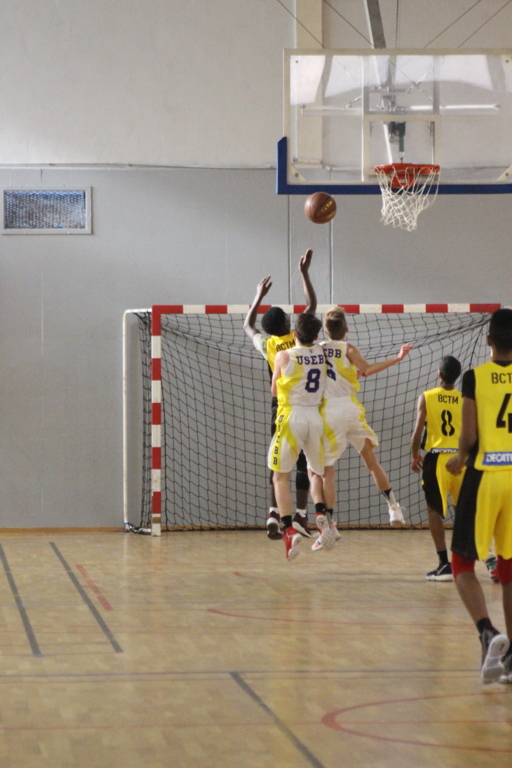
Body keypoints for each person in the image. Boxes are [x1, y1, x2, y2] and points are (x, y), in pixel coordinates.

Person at [446, 308, 512, 684]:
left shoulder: (474, 377)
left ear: (488, 340)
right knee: (509, 567)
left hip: (485, 474)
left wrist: (460, 456)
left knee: (461, 563)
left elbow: (469, 436)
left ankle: (487, 632)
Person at [313, 306, 411, 551]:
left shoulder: (318, 349)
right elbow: (366, 369)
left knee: (327, 472)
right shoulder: (349, 349)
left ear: (325, 330)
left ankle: (331, 525)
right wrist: (397, 358)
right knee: (371, 460)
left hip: (329, 412)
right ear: (346, 329)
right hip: (351, 410)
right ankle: (394, 507)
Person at [244, 249, 316, 541]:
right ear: (289, 325)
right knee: (303, 463)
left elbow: (247, 325)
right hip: (306, 406)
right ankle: (300, 514)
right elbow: (311, 304)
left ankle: (273, 512)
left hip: (280, 408)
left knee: (277, 461)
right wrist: (304, 273)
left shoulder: (268, 345)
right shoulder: (299, 337)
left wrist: (258, 296)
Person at [411, 356, 499, 582]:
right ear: (458, 376)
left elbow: (417, 432)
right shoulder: (465, 399)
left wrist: (414, 455)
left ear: (439, 373)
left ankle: (444, 565)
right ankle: (489, 558)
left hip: (438, 461)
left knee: (434, 511)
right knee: (465, 513)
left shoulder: (427, 397)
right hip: (462, 461)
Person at [269, 312, 336, 561]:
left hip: (291, 418)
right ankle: (319, 513)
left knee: (280, 477)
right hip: (315, 418)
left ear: (295, 334)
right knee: (315, 472)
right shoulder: (322, 352)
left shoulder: (284, 356)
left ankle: (288, 529)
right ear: (316, 336)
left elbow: (274, 390)